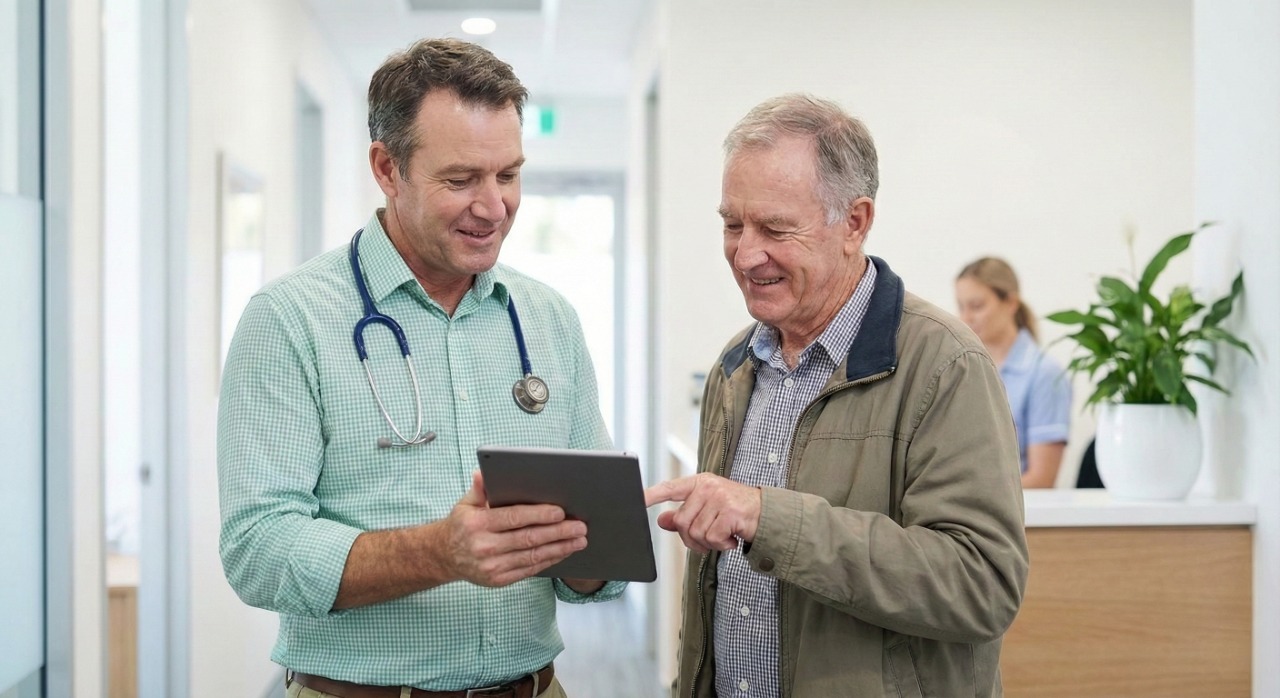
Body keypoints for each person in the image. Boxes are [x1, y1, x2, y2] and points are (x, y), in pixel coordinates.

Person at [217, 37, 624, 698]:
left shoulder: (549, 319)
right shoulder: (290, 321)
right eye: (461, 180)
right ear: (387, 167)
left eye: (508, 175)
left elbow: (593, 563)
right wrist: (441, 552)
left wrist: (600, 544)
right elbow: (257, 550)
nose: (493, 207)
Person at [645, 94, 1029, 697]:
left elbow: (981, 585)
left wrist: (769, 519)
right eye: (732, 225)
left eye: (775, 228)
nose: (746, 254)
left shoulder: (946, 365)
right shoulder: (734, 366)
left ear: (854, 222)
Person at [956, 257, 1072, 488]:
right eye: (961, 307)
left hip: (1018, 516)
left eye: (977, 306)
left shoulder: (1045, 374)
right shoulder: (961, 369)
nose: (966, 318)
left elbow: (1041, 479)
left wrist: (968, 494)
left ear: (1010, 303)